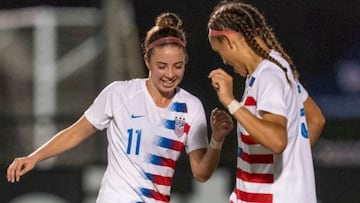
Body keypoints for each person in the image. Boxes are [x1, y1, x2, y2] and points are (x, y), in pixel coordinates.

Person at [7, 12, 234, 203]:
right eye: (162, 66)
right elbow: (76, 132)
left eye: (178, 66)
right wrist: (34, 157)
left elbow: (202, 173)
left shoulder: (191, 107)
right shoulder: (119, 94)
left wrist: (217, 139)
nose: (170, 74)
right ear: (147, 62)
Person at [207, 1, 326, 203]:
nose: (224, 61)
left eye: (220, 52)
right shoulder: (274, 66)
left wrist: (231, 102)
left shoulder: (269, 75)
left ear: (229, 41)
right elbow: (315, 120)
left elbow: (277, 141)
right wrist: (290, 166)